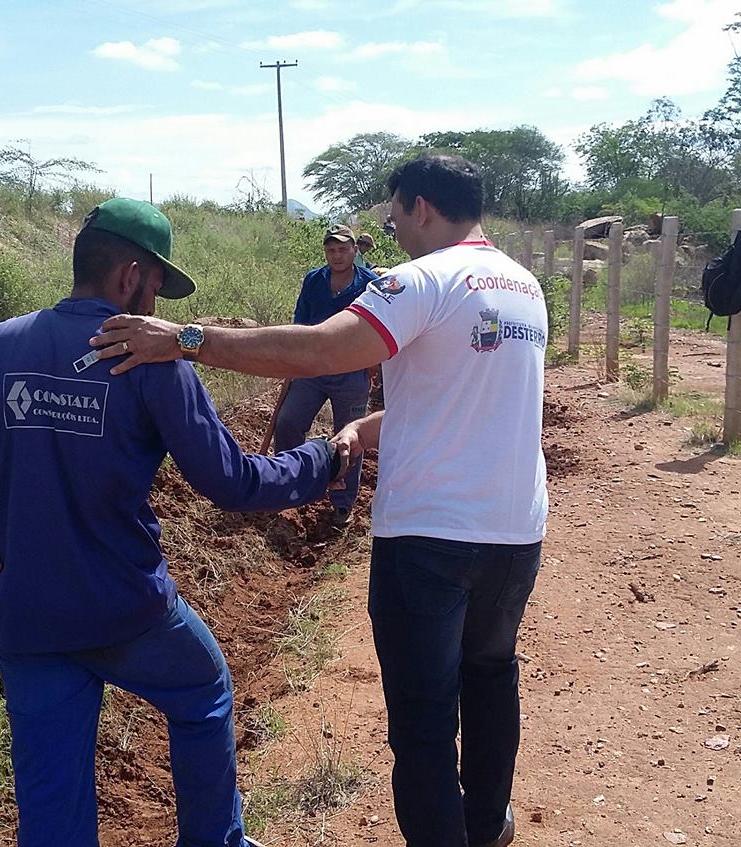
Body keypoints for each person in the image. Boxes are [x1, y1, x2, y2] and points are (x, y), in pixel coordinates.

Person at [87, 155, 548, 847]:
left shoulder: (418, 279)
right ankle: (486, 824)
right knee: (489, 675)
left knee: (424, 719)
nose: (390, 226)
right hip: (515, 532)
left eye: (395, 211)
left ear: (420, 206)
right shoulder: (522, 284)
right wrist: (368, 427)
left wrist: (186, 339)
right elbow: (474, 405)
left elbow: (323, 350)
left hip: (430, 539)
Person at [0, 197, 344, 847]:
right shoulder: (151, 362)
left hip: (28, 612)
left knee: (51, 805)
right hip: (127, 609)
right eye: (156, 287)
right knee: (203, 688)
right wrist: (323, 459)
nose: (155, 307)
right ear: (129, 277)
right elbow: (233, 483)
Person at [274, 223, 378, 528]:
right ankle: (288, 487)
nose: (337, 255)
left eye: (343, 249)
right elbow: (300, 322)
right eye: (331, 250)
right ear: (325, 252)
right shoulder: (314, 280)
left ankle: (342, 506)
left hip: (352, 372)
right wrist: (293, 358)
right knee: (288, 421)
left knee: (350, 437)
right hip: (312, 369)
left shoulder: (370, 284)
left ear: (355, 251)